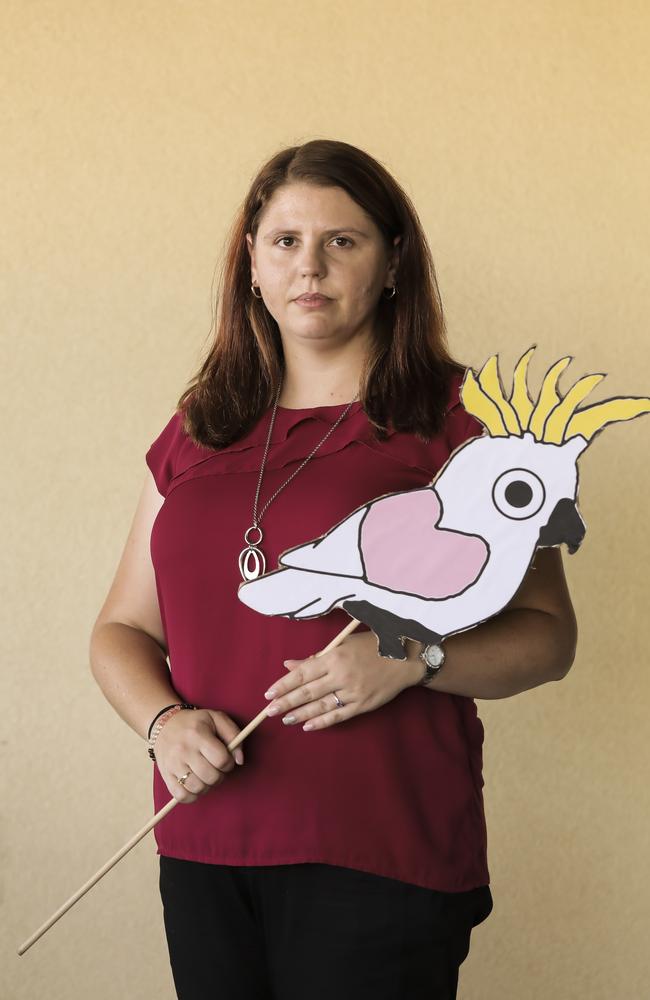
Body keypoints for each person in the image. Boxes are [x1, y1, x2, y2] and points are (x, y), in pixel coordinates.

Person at [89, 139, 578, 1000]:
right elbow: (122, 630)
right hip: (206, 846)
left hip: (382, 850)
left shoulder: (464, 425)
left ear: (393, 262)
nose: (309, 266)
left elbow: (545, 638)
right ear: (251, 263)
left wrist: (413, 655)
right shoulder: (199, 429)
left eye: (342, 241)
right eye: (284, 241)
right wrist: (164, 725)